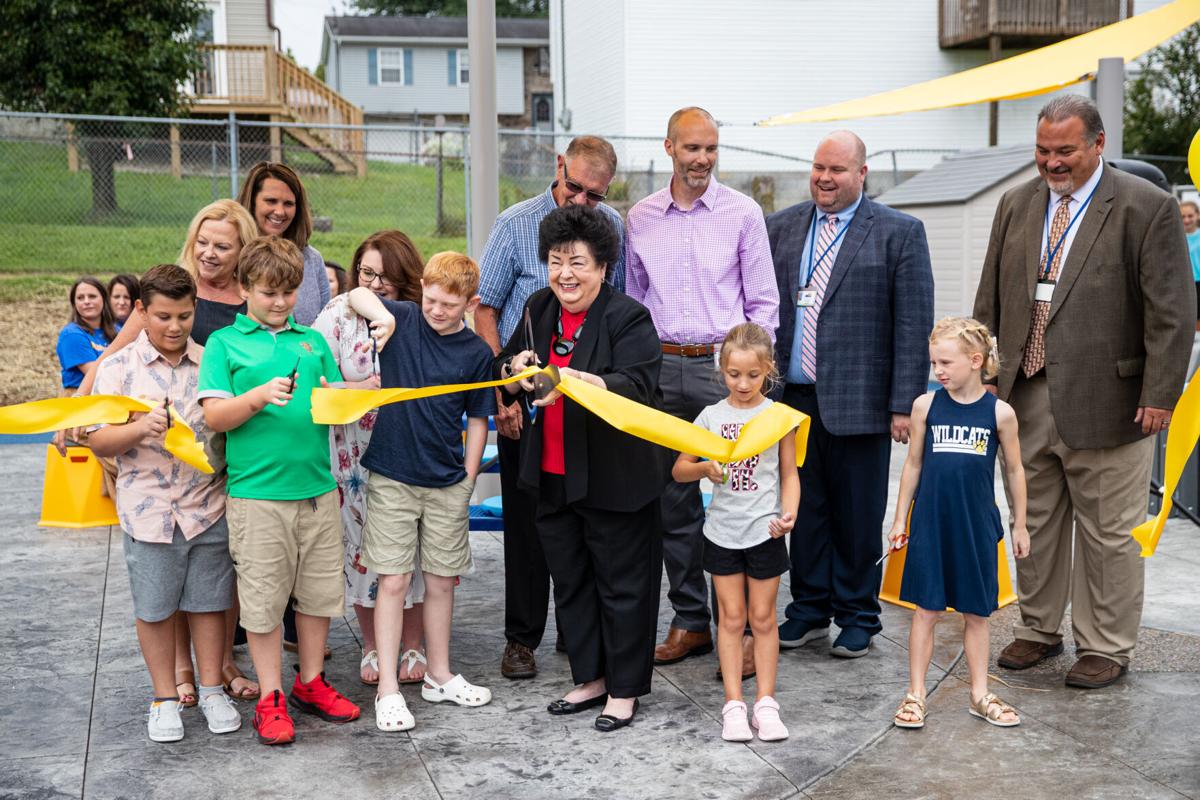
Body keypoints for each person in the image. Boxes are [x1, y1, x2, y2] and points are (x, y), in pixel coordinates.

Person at [973, 95, 1193, 689]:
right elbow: (990, 298)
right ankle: (1039, 629)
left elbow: (1171, 313)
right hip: (1024, 394)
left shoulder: (1146, 207)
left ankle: (1106, 645)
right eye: (1043, 151)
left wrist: (1160, 393)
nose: (1052, 163)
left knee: (1107, 531)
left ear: (1098, 144)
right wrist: (985, 373)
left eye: (1065, 150)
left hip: (1114, 400)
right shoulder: (1016, 204)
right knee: (1033, 518)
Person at [69, 200, 263, 702]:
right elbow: (115, 365)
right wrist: (84, 397)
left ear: (242, 247)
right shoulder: (166, 295)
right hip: (152, 487)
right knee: (161, 588)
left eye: (222, 244)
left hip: (215, 476)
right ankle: (177, 677)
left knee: (214, 586)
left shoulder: (250, 303)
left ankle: (217, 672)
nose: (209, 251)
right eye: (203, 241)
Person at [498, 204, 665, 732]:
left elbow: (638, 387)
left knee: (621, 584)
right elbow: (505, 369)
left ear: (602, 268)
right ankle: (590, 677)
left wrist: (576, 379)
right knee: (571, 582)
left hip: (614, 476)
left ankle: (624, 688)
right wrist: (515, 370)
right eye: (555, 260)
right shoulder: (537, 306)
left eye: (577, 263)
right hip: (551, 472)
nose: (564, 274)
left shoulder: (628, 316)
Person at [768, 130, 934, 659]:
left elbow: (912, 323)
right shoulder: (782, 227)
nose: (825, 178)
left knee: (858, 514)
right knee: (805, 509)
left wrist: (903, 403)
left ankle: (858, 614)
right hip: (793, 400)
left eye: (837, 169)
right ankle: (809, 609)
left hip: (863, 400)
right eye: (819, 167)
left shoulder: (898, 233)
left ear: (863, 174)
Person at [626, 107, 779, 677]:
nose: (703, 159)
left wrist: (754, 376)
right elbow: (634, 300)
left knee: (741, 495)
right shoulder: (639, 218)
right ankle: (691, 620)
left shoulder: (742, 213)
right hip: (663, 369)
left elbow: (763, 301)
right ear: (669, 147)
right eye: (692, 148)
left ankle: (736, 632)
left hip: (726, 374)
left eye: (711, 149)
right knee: (674, 500)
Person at [475, 135, 626, 680]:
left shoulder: (612, 228)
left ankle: (577, 628)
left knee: (582, 521)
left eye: (595, 194)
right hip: (524, 396)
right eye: (575, 187)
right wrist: (502, 389)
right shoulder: (515, 224)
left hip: (585, 401)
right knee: (526, 525)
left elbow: (619, 306)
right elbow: (486, 308)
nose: (582, 202)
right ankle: (521, 639)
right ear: (558, 167)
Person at [198, 235, 360, 745]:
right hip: (257, 496)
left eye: (288, 292)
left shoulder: (311, 342)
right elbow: (214, 415)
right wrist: (258, 396)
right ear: (244, 288)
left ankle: (309, 683)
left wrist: (358, 392)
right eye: (269, 292)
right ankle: (270, 694)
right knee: (264, 601)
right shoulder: (225, 345)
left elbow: (334, 399)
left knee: (316, 597)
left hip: (316, 490)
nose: (279, 302)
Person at [87, 264, 240, 743]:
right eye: (163, 316)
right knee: (155, 607)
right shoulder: (117, 369)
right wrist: (137, 429)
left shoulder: (211, 359)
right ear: (140, 311)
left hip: (205, 505)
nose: (174, 327)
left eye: (184, 315)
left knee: (209, 602)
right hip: (147, 511)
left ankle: (212, 688)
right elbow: (98, 440)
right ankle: (164, 697)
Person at [346, 252, 496, 732]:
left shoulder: (476, 353)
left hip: (447, 481)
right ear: (422, 292)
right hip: (392, 475)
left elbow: (477, 418)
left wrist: (468, 478)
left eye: (449, 305)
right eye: (431, 299)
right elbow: (355, 293)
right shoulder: (404, 318)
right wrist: (385, 313)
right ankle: (388, 688)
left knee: (440, 581)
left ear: (469, 304)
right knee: (391, 579)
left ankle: (439, 673)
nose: (436, 310)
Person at [888, 318, 1030, 730]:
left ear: (976, 360)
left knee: (976, 613)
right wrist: (900, 519)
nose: (939, 372)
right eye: (934, 363)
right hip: (931, 523)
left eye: (946, 362)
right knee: (926, 609)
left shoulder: (1000, 413)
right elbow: (913, 464)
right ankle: (915, 693)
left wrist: (1019, 524)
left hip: (975, 526)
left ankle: (979, 693)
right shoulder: (925, 406)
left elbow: (1016, 470)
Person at [311, 231, 429, 687]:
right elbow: (316, 378)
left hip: (408, 451)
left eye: (387, 276)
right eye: (367, 272)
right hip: (351, 457)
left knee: (410, 551)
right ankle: (374, 645)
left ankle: (414, 643)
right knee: (360, 551)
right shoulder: (337, 314)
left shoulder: (418, 316)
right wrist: (357, 390)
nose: (376, 284)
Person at [672, 323, 799, 743]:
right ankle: (733, 705)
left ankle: (766, 703)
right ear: (721, 370)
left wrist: (789, 514)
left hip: (765, 532)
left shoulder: (779, 417)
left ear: (769, 372)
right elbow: (679, 469)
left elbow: (788, 473)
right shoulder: (710, 416)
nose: (742, 384)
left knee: (762, 619)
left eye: (753, 375)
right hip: (722, 533)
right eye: (733, 374)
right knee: (730, 619)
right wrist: (705, 467)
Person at [236, 161, 331, 325]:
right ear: (252, 201)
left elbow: (326, 325)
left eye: (288, 204)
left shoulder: (312, 259)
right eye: (271, 201)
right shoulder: (232, 254)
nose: (280, 211)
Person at [56, 277, 117, 391]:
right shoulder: (72, 335)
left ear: (104, 299)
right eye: (80, 298)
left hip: (113, 395)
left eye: (92, 296)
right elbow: (97, 376)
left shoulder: (116, 330)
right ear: (74, 303)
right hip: (81, 400)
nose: (86, 301)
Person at [1181, 200, 1200, 321]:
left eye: (1190, 216)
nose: (1187, 220)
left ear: (1198, 215)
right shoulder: (1176, 237)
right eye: (1183, 216)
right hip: (1185, 283)